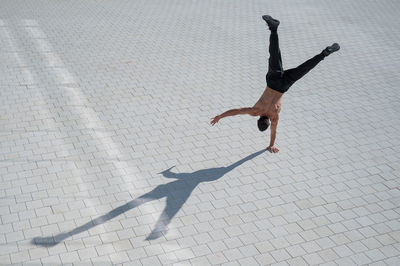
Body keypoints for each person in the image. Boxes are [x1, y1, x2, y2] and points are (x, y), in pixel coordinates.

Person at [210, 15, 340, 153]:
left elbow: (273, 131)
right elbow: (237, 111)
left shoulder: (274, 117)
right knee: (274, 55)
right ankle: (273, 28)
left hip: (284, 86)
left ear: (267, 121)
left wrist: (271, 145)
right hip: (272, 81)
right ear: (258, 119)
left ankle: (325, 53)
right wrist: (220, 116)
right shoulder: (255, 111)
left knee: (305, 68)